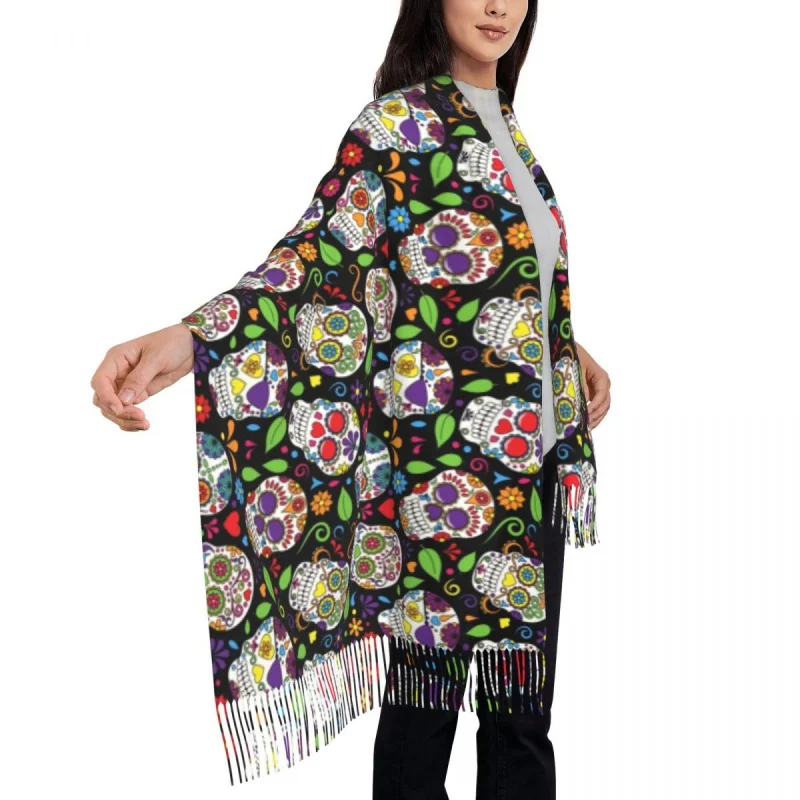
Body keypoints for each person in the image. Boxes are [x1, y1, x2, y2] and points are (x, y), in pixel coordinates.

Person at [91, 1, 611, 797]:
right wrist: (189, 339)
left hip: (532, 478)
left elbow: (487, 279)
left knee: (521, 723)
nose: (497, 4)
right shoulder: (396, 128)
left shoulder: (505, 122)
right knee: (422, 721)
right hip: (442, 490)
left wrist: (564, 349)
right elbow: (315, 264)